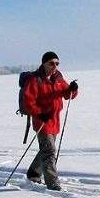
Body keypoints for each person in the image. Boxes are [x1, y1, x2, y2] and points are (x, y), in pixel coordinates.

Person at [22, 51, 79, 190]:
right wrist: (40, 114)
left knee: (46, 149)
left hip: (54, 119)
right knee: (49, 151)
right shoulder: (35, 80)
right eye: (51, 63)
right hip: (41, 120)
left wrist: (73, 89)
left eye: (57, 63)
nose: (55, 66)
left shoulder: (58, 78)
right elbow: (28, 102)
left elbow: (67, 95)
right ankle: (52, 183)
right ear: (44, 63)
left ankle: (33, 173)